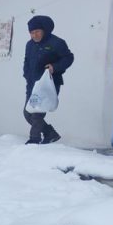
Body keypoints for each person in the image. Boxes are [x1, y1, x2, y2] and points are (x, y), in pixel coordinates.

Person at [23, 15, 74, 144]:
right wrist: (26, 75)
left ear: (44, 30)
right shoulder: (29, 45)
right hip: (33, 83)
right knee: (28, 113)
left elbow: (68, 58)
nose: (34, 35)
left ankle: (34, 139)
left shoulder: (56, 43)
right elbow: (27, 61)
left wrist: (55, 67)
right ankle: (50, 133)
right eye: (31, 32)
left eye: (37, 32)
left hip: (49, 83)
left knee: (37, 113)